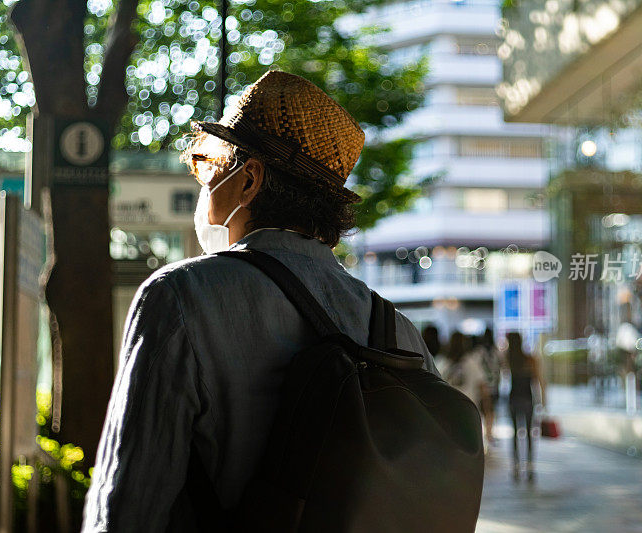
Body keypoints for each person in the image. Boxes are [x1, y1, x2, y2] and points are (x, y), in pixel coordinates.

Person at [82, 70, 439, 532]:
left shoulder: (180, 297)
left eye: (209, 163)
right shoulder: (397, 331)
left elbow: (127, 506)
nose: (203, 178)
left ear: (249, 179)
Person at [505, 331, 544, 482]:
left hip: (513, 398)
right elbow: (538, 380)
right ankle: (530, 466)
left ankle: (515, 466)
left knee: (515, 434)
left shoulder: (509, 359)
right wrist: (543, 400)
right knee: (529, 434)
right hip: (528, 399)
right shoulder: (530, 359)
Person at [474, 327, 501, 444]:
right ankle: (489, 434)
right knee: (491, 410)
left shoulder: (478, 352)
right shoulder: (496, 351)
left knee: (482, 410)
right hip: (494, 385)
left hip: (482, 385)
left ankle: (482, 434)